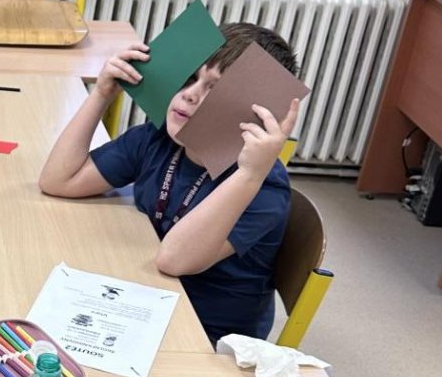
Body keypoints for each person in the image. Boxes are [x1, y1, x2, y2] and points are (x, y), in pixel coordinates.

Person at [38, 22, 302, 345]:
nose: (190, 94)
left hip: (206, 337)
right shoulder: (158, 138)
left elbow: (173, 260)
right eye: (191, 78)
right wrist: (102, 94)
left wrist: (249, 175)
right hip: (147, 295)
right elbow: (58, 180)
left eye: (213, 89)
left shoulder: (263, 186)